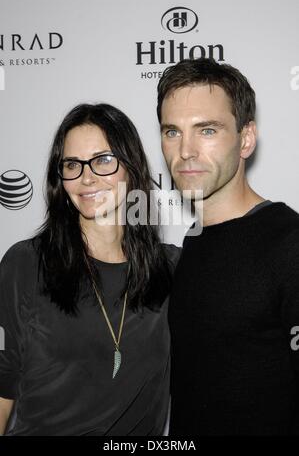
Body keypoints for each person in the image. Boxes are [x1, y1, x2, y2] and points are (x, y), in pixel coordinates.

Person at [0, 103, 180, 436]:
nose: (86, 176)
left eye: (103, 160)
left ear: (131, 167)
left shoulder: (172, 269)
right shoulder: (25, 264)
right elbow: (2, 377)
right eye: (72, 164)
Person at [157, 57, 299, 435]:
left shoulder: (289, 242)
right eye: (172, 132)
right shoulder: (191, 242)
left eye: (206, 130)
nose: (185, 150)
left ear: (246, 138)